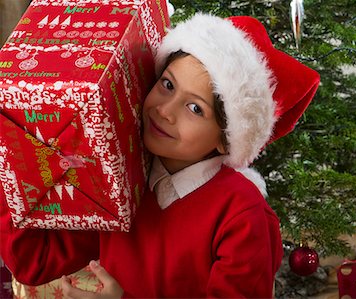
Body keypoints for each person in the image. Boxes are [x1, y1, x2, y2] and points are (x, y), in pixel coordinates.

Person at [1, 13, 319, 298]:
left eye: (195, 108)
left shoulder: (242, 212)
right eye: (167, 84)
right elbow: (34, 260)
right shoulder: (121, 178)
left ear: (227, 139)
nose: (165, 111)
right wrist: (10, 161)